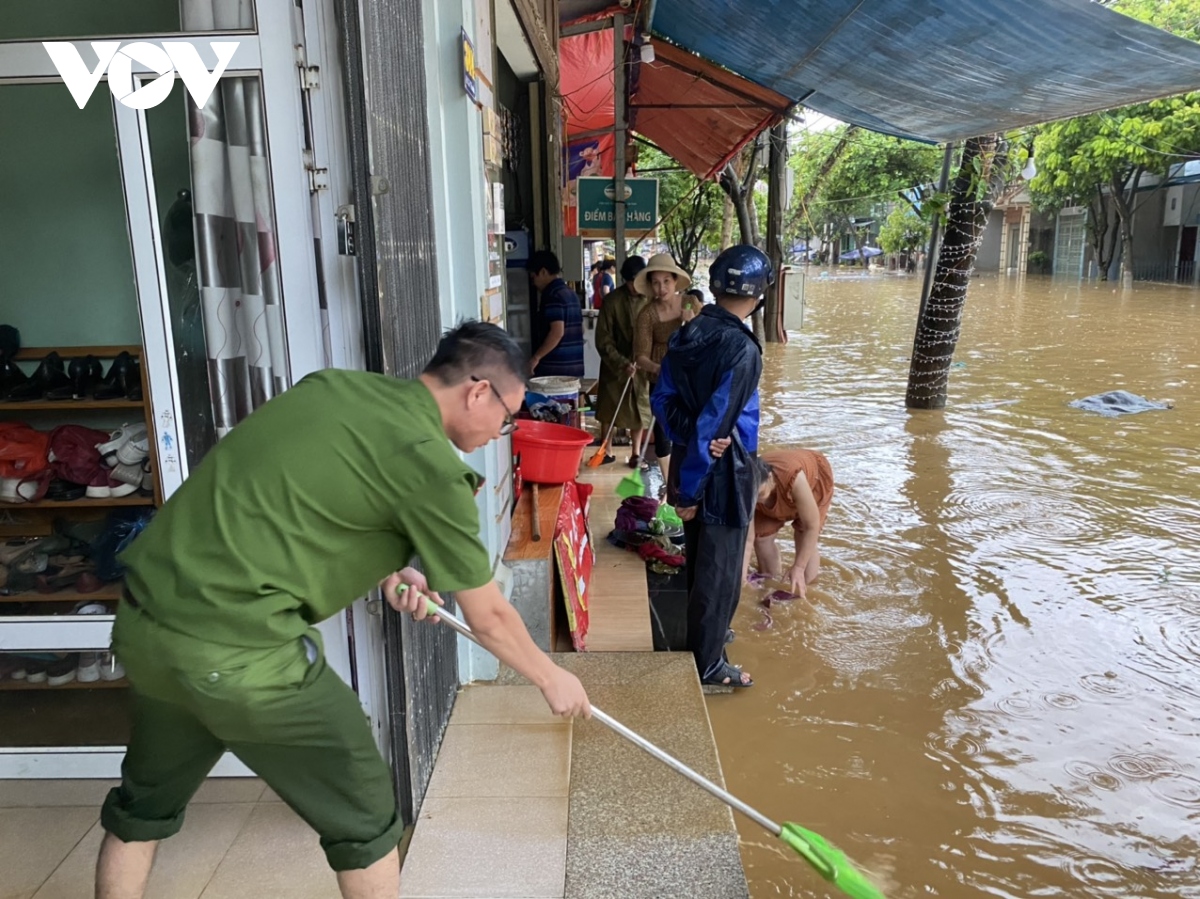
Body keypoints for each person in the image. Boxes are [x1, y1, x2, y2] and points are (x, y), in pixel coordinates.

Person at [94, 321, 591, 899]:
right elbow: (490, 616)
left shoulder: (333, 388)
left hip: (144, 630)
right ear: (478, 391)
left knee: (142, 809)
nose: (501, 432)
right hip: (240, 656)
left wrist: (389, 571)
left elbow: (304, 497)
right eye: (508, 417)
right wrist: (550, 676)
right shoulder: (432, 466)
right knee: (366, 819)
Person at [652, 245, 774, 689]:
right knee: (719, 569)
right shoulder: (742, 349)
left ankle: (708, 637)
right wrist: (692, 489)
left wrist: (685, 453)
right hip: (721, 469)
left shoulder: (689, 330)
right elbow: (715, 426)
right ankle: (709, 664)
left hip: (693, 460)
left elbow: (661, 401)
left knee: (700, 560)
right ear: (759, 296)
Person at [712, 444, 834, 597]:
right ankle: (770, 582)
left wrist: (799, 567)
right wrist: (741, 579)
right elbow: (748, 540)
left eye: (760, 494)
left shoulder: (794, 478)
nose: (756, 501)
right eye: (752, 497)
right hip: (771, 488)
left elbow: (812, 526)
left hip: (812, 479)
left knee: (803, 534)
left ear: (769, 478)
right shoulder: (748, 491)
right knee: (761, 538)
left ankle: (805, 590)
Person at [632, 254, 700, 484]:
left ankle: (691, 478)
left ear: (675, 281)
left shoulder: (690, 302)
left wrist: (691, 322)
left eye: (666, 281)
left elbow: (708, 340)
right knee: (663, 433)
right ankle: (670, 483)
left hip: (691, 379)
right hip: (661, 382)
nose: (661, 288)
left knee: (693, 428)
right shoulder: (647, 315)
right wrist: (659, 369)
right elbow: (640, 356)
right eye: (655, 283)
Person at [594, 255, 651, 465]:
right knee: (609, 407)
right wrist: (620, 362)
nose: (633, 287)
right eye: (628, 282)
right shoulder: (612, 301)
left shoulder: (652, 299)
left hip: (642, 364)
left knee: (640, 407)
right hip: (614, 364)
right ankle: (605, 449)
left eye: (636, 282)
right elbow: (603, 339)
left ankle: (636, 453)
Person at [527, 250, 584, 377]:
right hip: (574, 368)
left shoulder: (552, 295)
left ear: (543, 272)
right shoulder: (570, 293)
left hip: (555, 370)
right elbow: (582, 329)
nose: (533, 283)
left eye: (533, 277)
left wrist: (536, 358)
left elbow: (557, 332)